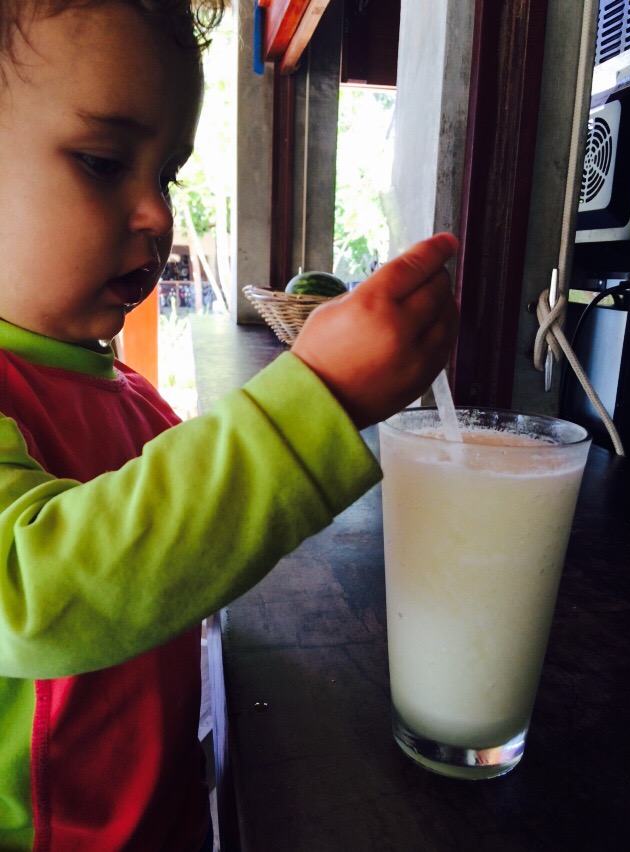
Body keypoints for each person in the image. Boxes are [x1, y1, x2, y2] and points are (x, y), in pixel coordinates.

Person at [0, 1, 459, 849]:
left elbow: (172, 560)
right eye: (104, 162)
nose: (156, 213)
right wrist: (317, 399)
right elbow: (29, 595)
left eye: (167, 173)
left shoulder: (130, 397)